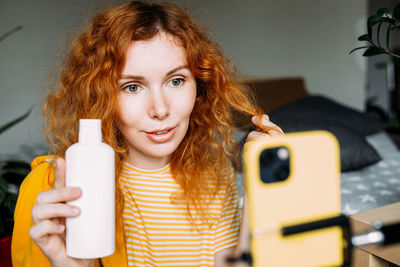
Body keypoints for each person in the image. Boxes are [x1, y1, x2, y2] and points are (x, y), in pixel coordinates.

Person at [11, 1, 283, 266]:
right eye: (132, 87)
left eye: (176, 81)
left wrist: (258, 191)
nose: (160, 109)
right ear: (101, 96)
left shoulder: (216, 173)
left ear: (199, 86)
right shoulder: (55, 189)